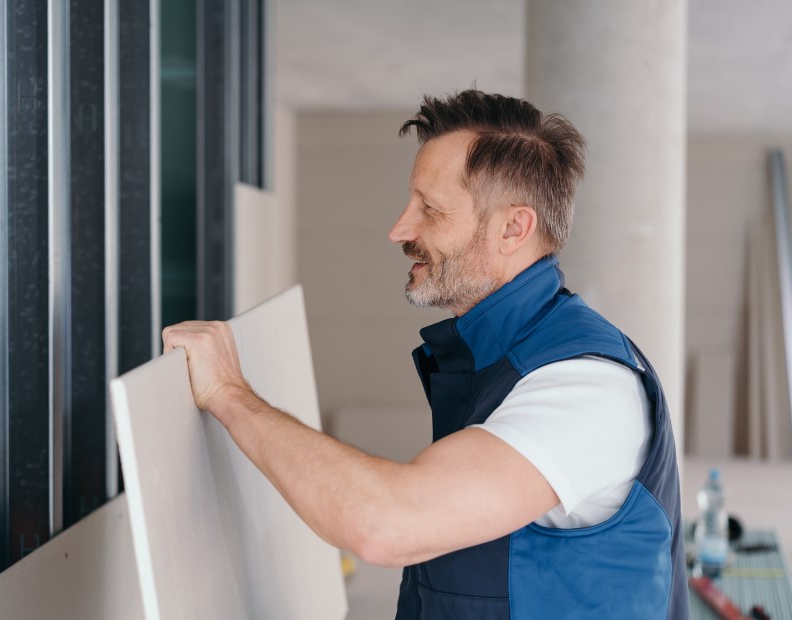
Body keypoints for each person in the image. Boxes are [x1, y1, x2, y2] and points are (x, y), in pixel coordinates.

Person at [162, 90, 689, 619]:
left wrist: (229, 392)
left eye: (430, 210)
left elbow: (386, 524)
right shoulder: (498, 352)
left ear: (513, 228)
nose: (400, 229)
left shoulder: (586, 389)